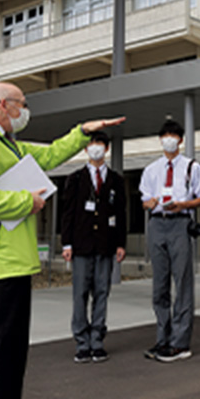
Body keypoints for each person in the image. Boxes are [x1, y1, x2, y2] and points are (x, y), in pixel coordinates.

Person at [0, 82, 123, 399]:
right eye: (22, 104)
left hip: (1, 262)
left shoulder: (6, 143)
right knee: (4, 354)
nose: (25, 111)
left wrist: (82, 132)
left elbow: (49, 154)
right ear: (4, 104)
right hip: (0, 261)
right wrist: (25, 201)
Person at [139, 119, 200, 362]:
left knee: (183, 282)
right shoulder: (151, 169)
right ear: (160, 140)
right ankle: (162, 338)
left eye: (173, 135)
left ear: (180, 139)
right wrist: (151, 203)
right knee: (159, 285)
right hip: (157, 222)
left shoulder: (191, 167)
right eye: (164, 135)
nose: (168, 139)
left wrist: (183, 204)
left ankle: (180, 342)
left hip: (180, 222)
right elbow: (144, 199)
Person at [60, 130, 127, 363]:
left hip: (106, 245)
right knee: (80, 294)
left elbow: (121, 213)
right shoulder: (75, 179)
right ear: (86, 148)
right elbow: (67, 213)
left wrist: (121, 243)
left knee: (102, 292)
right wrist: (66, 242)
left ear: (106, 149)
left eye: (100, 143)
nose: (95, 147)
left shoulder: (116, 180)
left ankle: (97, 340)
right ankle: (82, 342)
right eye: (92, 144)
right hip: (80, 245)